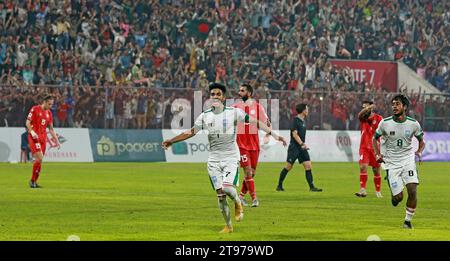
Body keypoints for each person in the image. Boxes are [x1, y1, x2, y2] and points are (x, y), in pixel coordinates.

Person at [162, 83, 286, 233]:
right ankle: (228, 226)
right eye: (212, 94)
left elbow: (256, 122)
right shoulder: (205, 116)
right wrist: (171, 140)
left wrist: (275, 135)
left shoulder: (234, 112)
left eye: (218, 94)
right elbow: (191, 132)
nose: (215, 96)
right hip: (213, 160)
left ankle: (238, 201)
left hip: (230, 157)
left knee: (227, 188)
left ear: (223, 97)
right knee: (220, 196)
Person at [373, 94, 425, 229]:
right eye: (393, 104)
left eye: (397, 104)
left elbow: (421, 141)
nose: (394, 107)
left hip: (407, 159)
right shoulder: (385, 123)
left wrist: (419, 151)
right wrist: (378, 154)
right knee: (398, 198)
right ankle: (393, 189)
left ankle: (407, 222)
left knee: (413, 190)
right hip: (391, 162)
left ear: (405, 107)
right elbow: (375, 138)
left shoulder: (413, 124)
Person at [232, 83, 270, 207]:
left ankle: (241, 197)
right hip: (241, 144)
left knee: (252, 173)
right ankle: (254, 199)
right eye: (239, 90)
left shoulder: (258, 107)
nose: (239, 93)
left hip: (254, 145)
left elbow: (266, 123)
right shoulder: (235, 107)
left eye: (242, 91)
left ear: (249, 93)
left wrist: (268, 134)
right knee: (247, 171)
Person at [276, 104, 322, 192]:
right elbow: (294, 134)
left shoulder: (303, 121)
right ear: (303, 110)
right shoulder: (295, 121)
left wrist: (302, 145)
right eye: (307, 109)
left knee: (308, 165)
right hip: (294, 147)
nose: (308, 111)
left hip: (301, 148)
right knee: (288, 167)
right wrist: (302, 144)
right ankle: (279, 186)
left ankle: (312, 187)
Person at [25, 95, 60, 188]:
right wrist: (32, 132)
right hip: (34, 137)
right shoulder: (35, 109)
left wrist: (57, 141)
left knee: (39, 161)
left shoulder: (49, 113)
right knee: (39, 158)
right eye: (49, 104)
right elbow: (27, 123)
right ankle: (32, 181)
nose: (50, 106)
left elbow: (51, 129)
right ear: (44, 101)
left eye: (52, 104)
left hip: (43, 139)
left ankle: (34, 182)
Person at [355, 101, 384, 198]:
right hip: (364, 147)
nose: (363, 108)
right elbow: (361, 114)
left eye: (366, 106)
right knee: (363, 167)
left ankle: (378, 191)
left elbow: (384, 131)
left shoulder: (379, 118)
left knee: (376, 170)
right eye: (363, 107)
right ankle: (362, 190)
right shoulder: (362, 118)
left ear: (371, 107)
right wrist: (368, 108)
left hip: (375, 148)